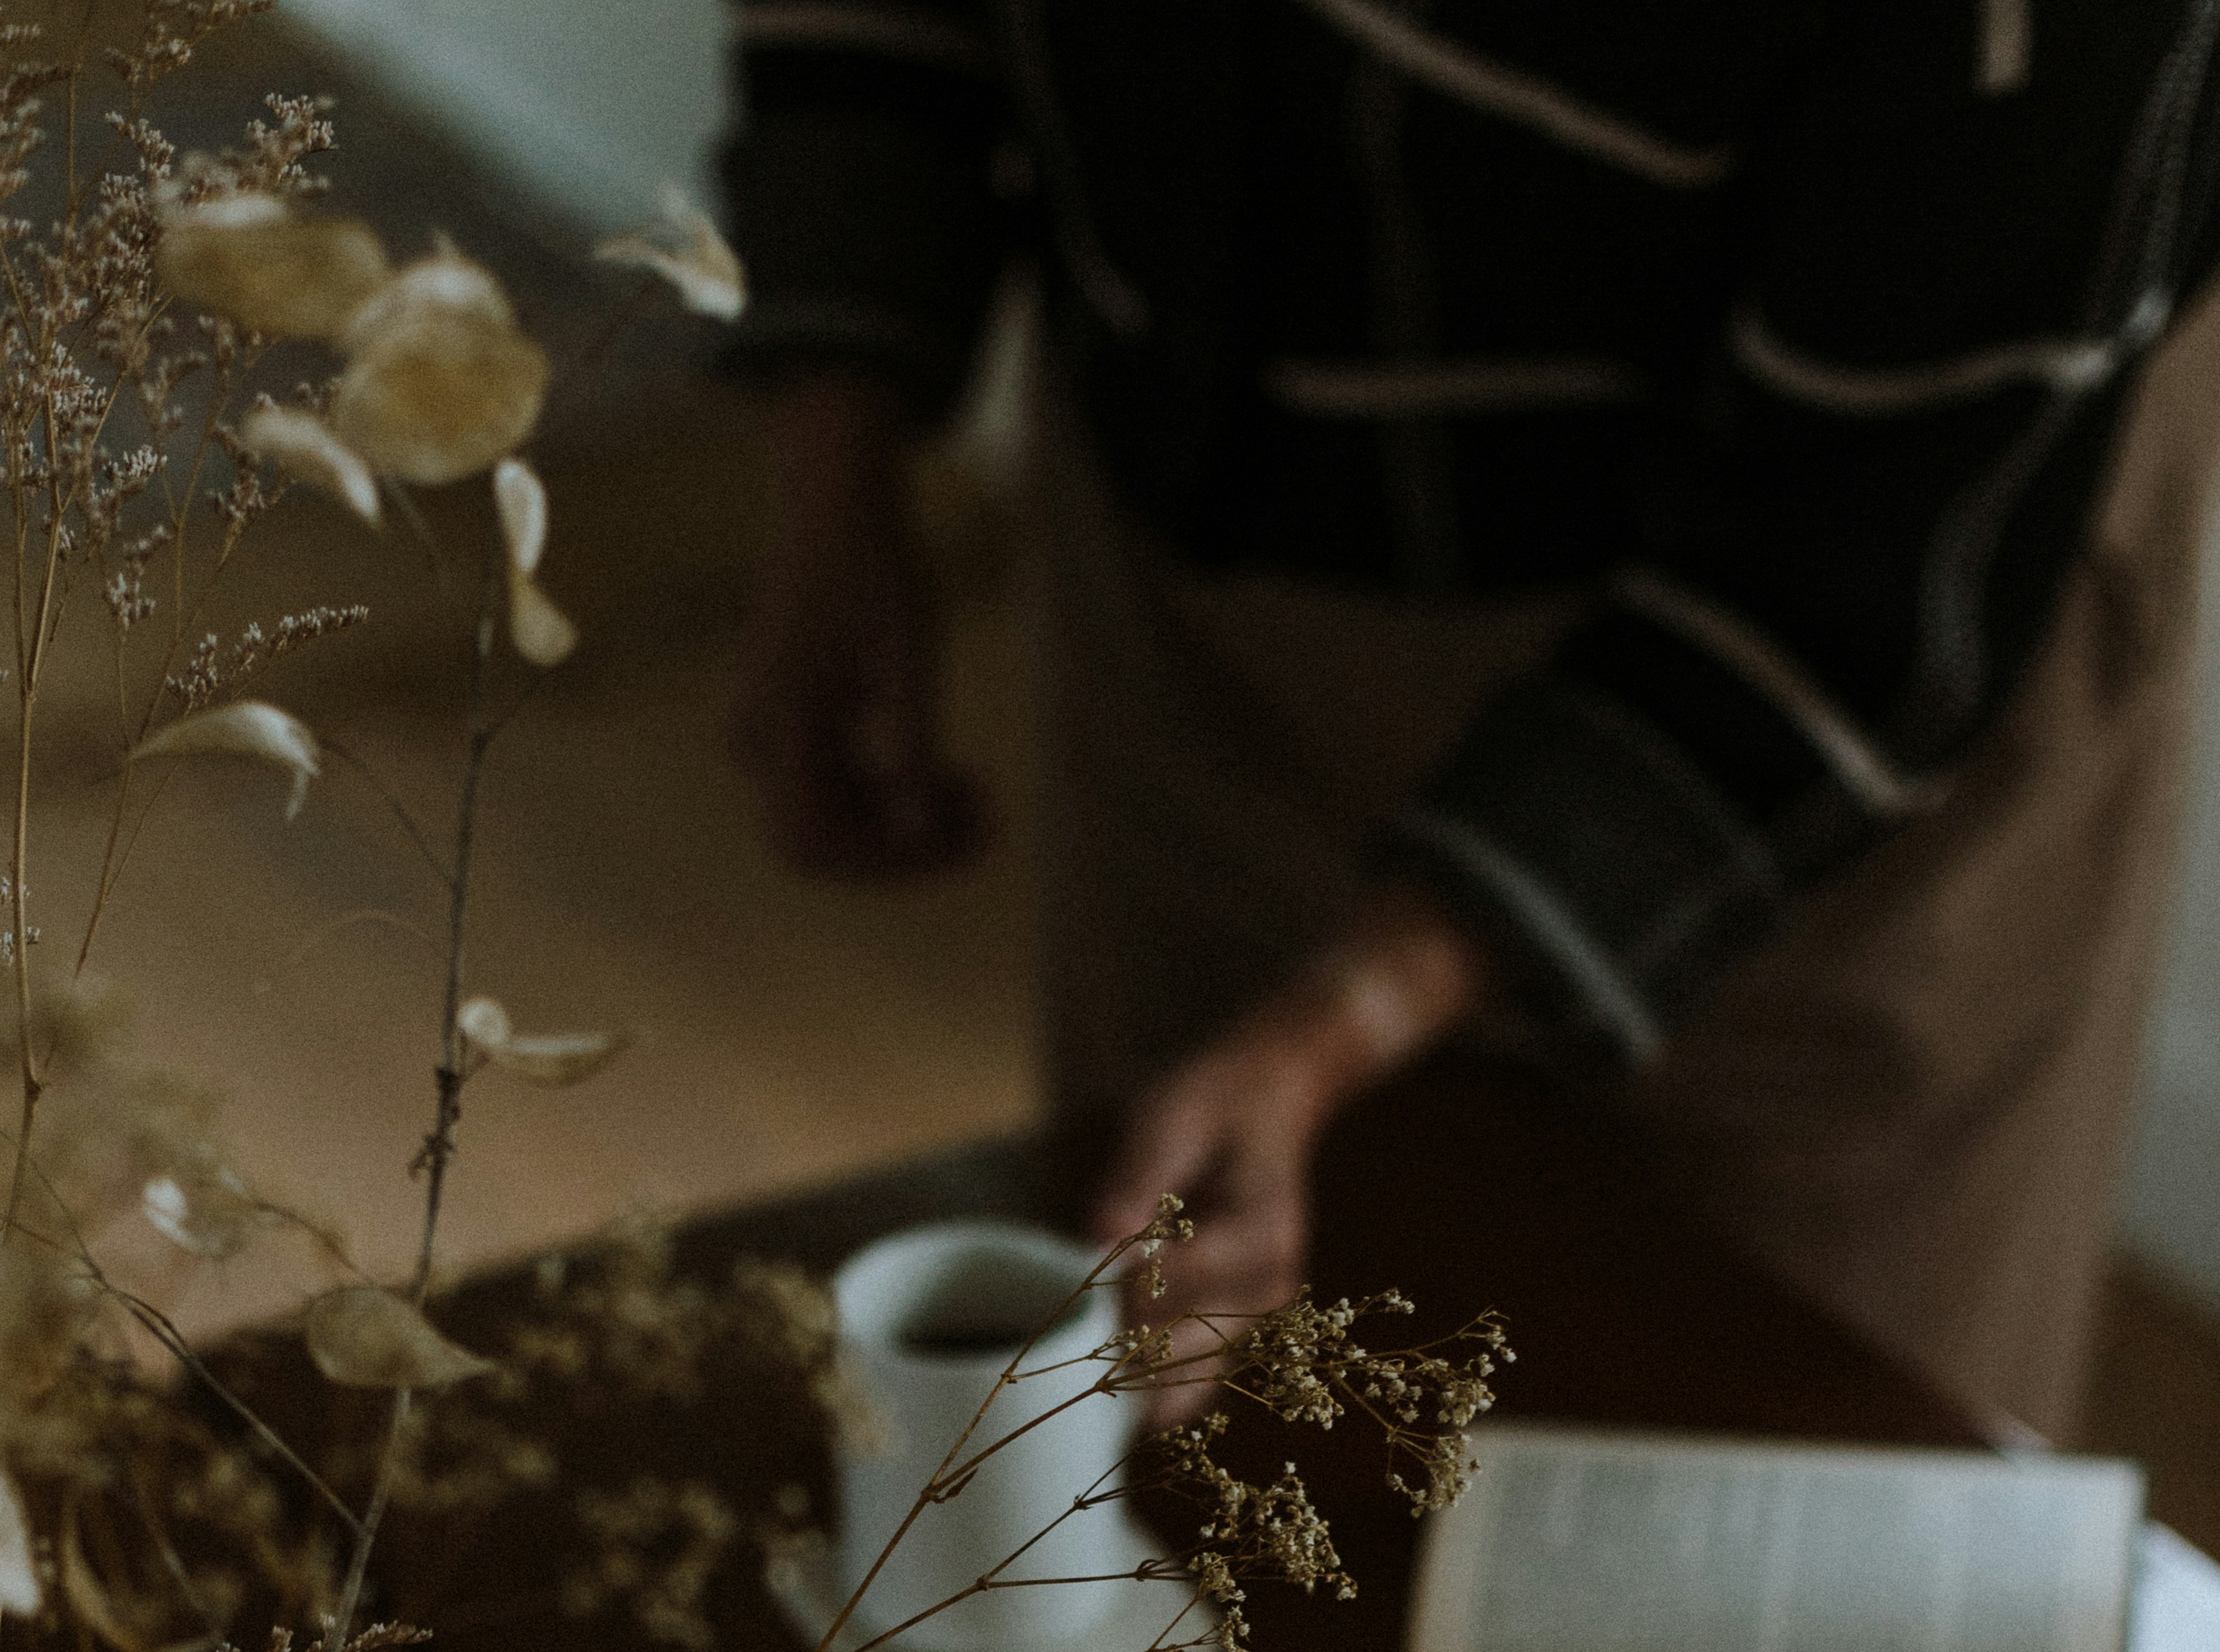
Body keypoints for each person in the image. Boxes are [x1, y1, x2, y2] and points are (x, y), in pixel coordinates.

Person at [717, 3, 2220, 1437]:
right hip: (1197, 525)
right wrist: (841, 451)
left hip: (1851, 650)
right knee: (1207, 1405)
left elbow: (1860, 578)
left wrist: (1338, 1021)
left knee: (1780, 1490)